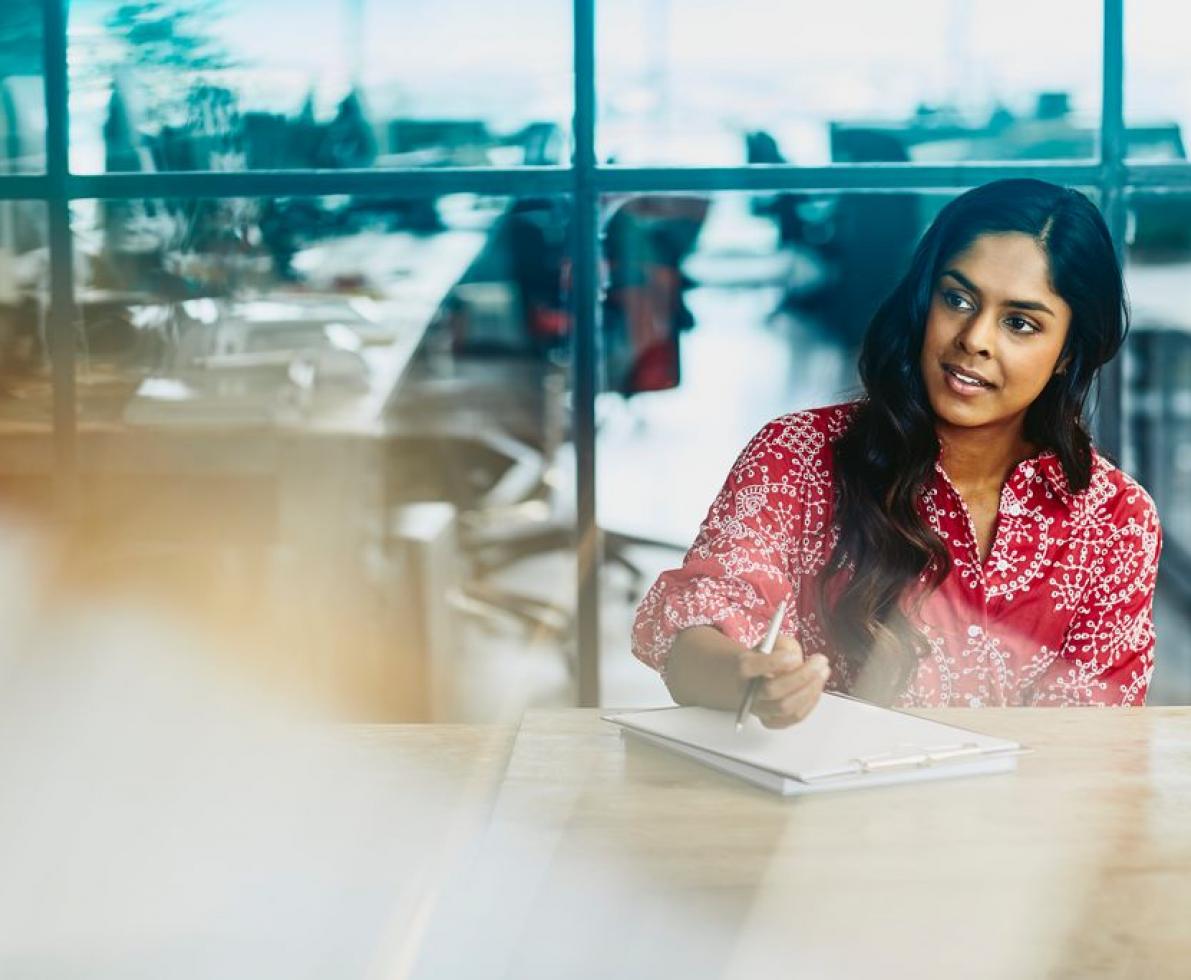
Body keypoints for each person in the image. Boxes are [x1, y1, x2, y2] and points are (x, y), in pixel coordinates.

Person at [631, 179, 1162, 725]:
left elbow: (1096, 739)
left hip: (1020, 808)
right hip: (826, 805)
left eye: (1020, 323)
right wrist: (749, 678)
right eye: (957, 299)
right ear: (923, 301)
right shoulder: (797, 457)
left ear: (1066, 354)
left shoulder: (1115, 520)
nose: (975, 338)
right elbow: (693, 630)